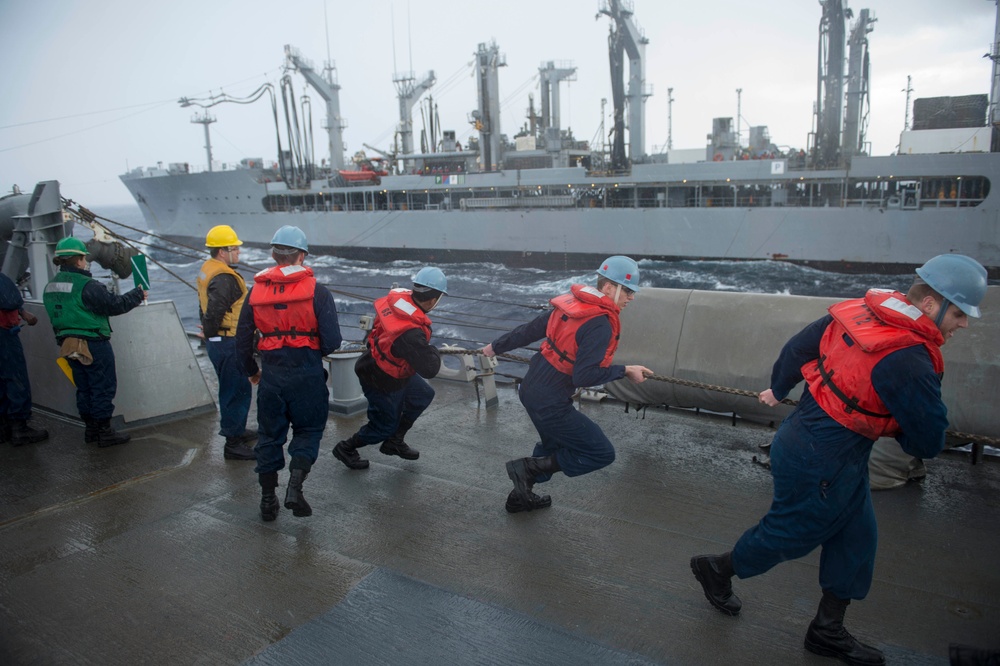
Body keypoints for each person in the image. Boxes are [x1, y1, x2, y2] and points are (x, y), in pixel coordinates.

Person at [690, 254, 989, 666]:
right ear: (930, 305)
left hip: (815, 441)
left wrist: (778, 387)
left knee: (857, 538)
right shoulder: (910, 360)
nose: (965, 324)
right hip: (821, 458)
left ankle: (827, 630)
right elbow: (926, 443)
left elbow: (798, 347)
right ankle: (718, 569)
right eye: (959, 312)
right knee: (790, 534)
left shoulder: (859, 312)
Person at [482, 256, 653, 513]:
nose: (631, 298)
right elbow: (584, 377)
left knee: (552, 447)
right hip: (550, 399)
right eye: (628, 290)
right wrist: (625, 371)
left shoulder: (570, 306)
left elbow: (530, 330)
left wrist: (495, 346)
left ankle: (519, 497)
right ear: (609, 288)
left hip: (531, 387)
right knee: (601, 452)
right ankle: (525, 469)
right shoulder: (600, 324)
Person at [235, 226, 342, 521]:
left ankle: (267, 501)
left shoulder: (255, 292)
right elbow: (333, 342)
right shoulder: (319, 293)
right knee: (308, 431)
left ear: (273, 253)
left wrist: (252, 371)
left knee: (269, 437)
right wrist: (308, 355)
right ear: (303, 256)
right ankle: (295, 489)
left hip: (271, 376)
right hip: (307, 374)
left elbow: (242, 341)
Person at [332, 266, 447, 470]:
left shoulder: (400, 303)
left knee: (423, 394)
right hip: (381, 378)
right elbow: (430, 369)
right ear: (433, 299)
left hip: (379, 363)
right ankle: (346, 448)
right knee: (382, 427)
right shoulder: (410, 333)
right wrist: (433, 350)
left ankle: (395, 441)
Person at [42, 236, 147, 447]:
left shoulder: (50, 287)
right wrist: (137, 294)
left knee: (84, 388)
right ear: (80, 260)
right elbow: (114, 305)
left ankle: (91, 431)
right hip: (93, 344)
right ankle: (105, 433)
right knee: (102, 388)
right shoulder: (87, 285)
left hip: (68, 344)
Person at [197, 224, 256, 461]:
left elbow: (205, 306)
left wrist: (209, 333)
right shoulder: (224, 278)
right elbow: (216, 310)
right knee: (236, 391)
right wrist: (212, 332)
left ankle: (238, 430)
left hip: (219, 341)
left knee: (232, 388)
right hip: (228, 342)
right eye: (235, 249)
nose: (238, 253)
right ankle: (233, 443)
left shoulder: (208, 269)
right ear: (223, 251)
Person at [0, 272, 49, 446]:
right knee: (15, 379)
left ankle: (4, 428)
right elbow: (9, 300)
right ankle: (19, 428)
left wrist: (21, 311)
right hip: (4, 337)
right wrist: (21, 308)